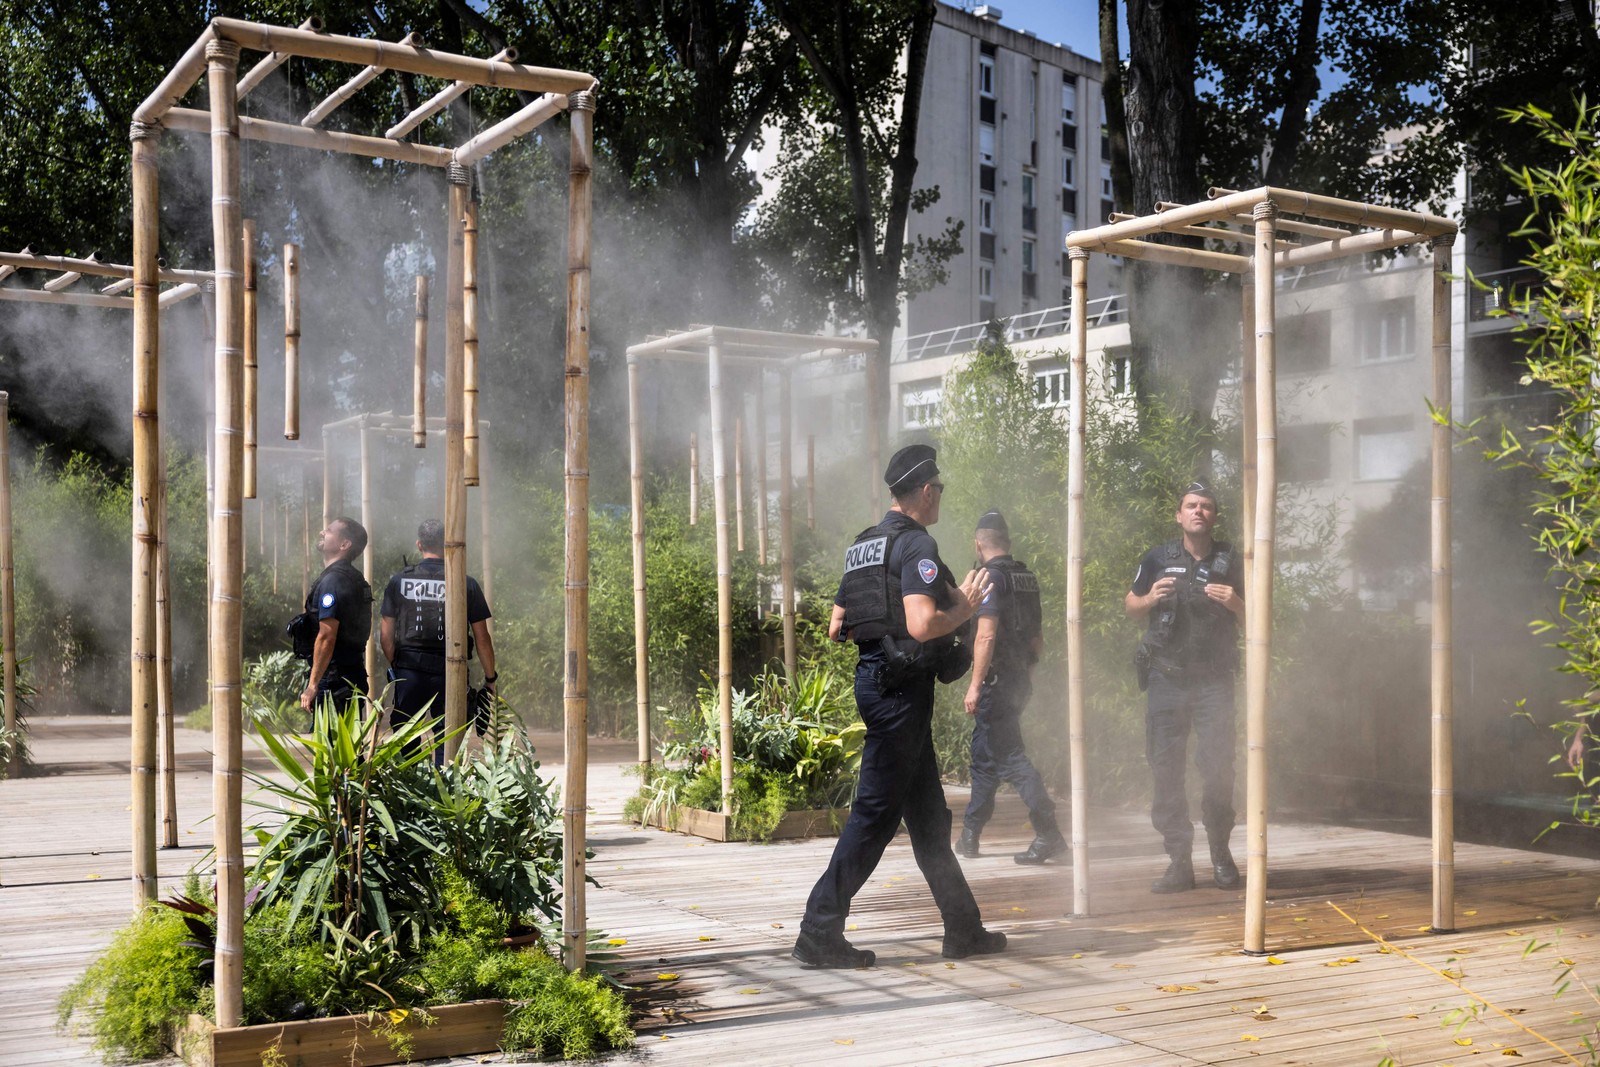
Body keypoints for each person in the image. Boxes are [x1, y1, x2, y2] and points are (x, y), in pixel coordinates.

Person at [792, 444, 1006, 969]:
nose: (941, 501)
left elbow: (836, 625)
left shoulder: (864, 544)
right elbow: (920, 623)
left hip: (876, 683)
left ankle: (964, 929)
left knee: (929, 818)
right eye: (941, 492)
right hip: (900, 698)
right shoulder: (916, 546)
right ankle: (819, 930)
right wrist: (965, 613)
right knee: (874, 815)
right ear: (926, 491)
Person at [1124, 481, 1246, 893]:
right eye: (1191, 506)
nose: (1199, 511)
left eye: (1206, 506)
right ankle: (1179, 861)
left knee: (1218, 767)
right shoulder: (1157, 558)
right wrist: (1149, 600)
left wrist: (1235, 602)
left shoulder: (1234, 560)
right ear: (1179, 515)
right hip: (1167, 678)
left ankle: (1220, 852)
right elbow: (1130, 605)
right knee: (1166, 769)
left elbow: (1261, 617)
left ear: (1214, 516)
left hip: (1214, 681)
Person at [957, 510, 1066, 865]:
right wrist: (1029, 675)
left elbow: (986, 633)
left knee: (1011, 758)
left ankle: (1049, 834)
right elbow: (1037, 636)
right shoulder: (1026, 577)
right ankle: (970, 835)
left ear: (978, 543)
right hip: (1018, 677)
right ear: (1008, 541)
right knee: (985, 756)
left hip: (996, 681)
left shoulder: (990, 577)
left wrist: (975, 685)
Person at [379, 519, 497, 760]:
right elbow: (482, 636)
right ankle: (446, 793)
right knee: (449, 737)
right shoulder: (465, 582)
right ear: (446, 545)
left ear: (419, 544)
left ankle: (411, 792)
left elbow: (386, 634)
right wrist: (490, 678)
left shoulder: (399, 581)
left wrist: (397, 665)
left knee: (405, 736)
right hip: (451, 670)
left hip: (409, 670)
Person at [299, 517, 373, 712]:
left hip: (333, 680)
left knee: (330, 740)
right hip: (350, 674)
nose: (322, 532)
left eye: (329, 530)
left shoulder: (334, 581)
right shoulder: (353, 578)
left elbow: (327, 636)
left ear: (344, 544)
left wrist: (313, 685)